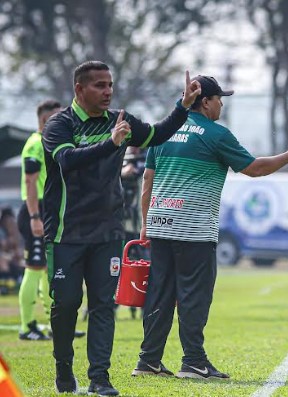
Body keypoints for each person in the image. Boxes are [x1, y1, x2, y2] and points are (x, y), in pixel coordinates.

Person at [131, 75, 288, 380]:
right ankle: (194, 362)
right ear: (205, 102)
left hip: (160, 225)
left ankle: (148, 361)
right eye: (219, 99)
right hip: (194, 230)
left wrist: (146, 224)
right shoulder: (215, 134)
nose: (222, 105)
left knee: (159, 294)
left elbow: (147, 182)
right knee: (194, 296)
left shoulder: (163, 131)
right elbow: (254, 168)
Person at [42, 61, 201, 395]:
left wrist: (183, 106)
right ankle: (63, 367)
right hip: (65, 234)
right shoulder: (59, 124)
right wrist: (113, 144)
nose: (108, 91)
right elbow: (68, 161)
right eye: (99, 85)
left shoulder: (121, 120)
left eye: (110, 84)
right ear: (79, 89)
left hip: (108, 232)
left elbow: (158, 134)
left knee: (103, 305)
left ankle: (100, 378)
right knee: (67, 304)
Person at [17, 100, 86, 341]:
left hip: (48, 211)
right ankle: (27, 327)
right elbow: (29, 182)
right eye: (57, 118)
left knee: (49, 268)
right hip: (34, 211)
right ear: (46, 120)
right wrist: (35, 216)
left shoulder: (48, 142)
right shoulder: (35, 145)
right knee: (34, 269)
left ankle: (54, 324)